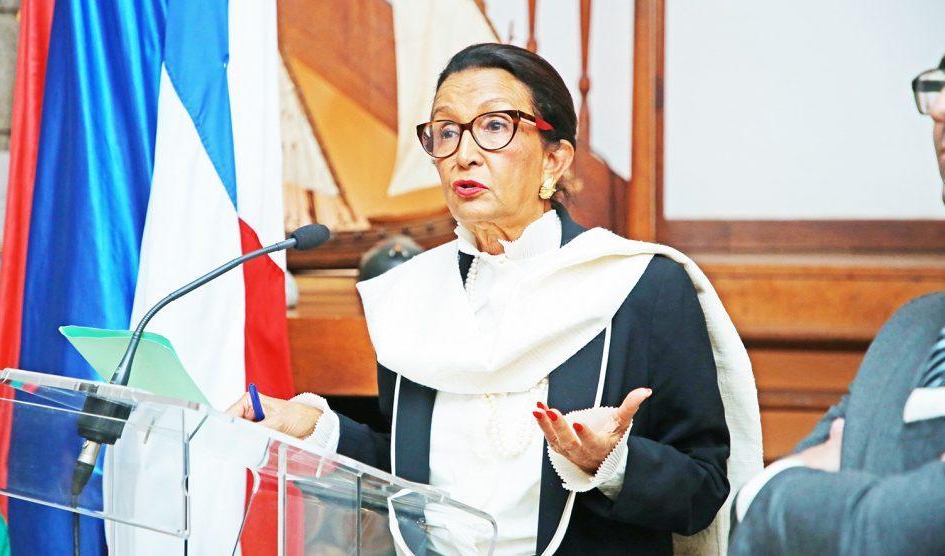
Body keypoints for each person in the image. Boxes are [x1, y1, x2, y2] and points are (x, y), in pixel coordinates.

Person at [230, 43, 762, 554]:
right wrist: (314, 427)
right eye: (446, 132)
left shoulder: (640, 284)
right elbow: (408, 471)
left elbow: (703, 490)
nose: (463, 154)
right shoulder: (414, 296)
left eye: (493, 127)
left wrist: (614, 463)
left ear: (554, 160)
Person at [728, 55, 945, 555]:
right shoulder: (910, 330)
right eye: (938, 86)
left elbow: (912, 527)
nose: (938, 111)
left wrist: (769, 492)